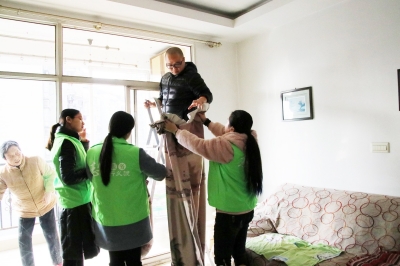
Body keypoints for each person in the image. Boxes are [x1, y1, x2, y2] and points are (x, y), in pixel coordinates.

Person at [163, 110, 264, 266]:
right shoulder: (251, 140)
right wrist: (205, 121)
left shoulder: (225, 146)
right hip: (247, 209)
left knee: (222, 259)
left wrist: (176, 131)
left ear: (231, 128)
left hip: (230, 213)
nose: (226, 126)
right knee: (239, 252)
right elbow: (226, 133)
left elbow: (198, 145)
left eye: (227, 122)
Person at [144, 46, 213, 265]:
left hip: (186, 129)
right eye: (170, 65)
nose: (174, 69)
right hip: (169, 129)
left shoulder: (191, 75)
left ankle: (195, 251)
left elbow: (207, 94)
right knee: (173, 176)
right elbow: (165, 99)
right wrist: (154, 105)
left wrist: (199, 100)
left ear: (184, 60)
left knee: (191, 181)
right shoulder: (165, 78)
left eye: (177, 64)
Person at [86, 111, 167, 266]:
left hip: (106, 217)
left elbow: (92, 178)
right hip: (133, 219)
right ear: (129, 131)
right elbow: (160, 173)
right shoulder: (135, 153)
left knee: (114, 261)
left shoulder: (92, 152)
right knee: (133, 261)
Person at [46, 108, 99, 266]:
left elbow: (77, 162)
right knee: (73, 254)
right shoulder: (66, 142)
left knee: (76, 251)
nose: (83, 122)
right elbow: (68, 177)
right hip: (74, 204)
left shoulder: (67, 139)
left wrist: (84, 142)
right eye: (80, 118)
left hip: (76, 200)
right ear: (68, 119)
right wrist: (91, 171)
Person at [0, 141, 62, 266]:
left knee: (51, 235)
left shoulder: (35, 161)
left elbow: (50, 174)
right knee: (24, 239)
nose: (16, 157)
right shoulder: (3, 173)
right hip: (25, 209)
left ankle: (58, 263)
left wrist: (49, 191)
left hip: (45, 204)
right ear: (5, 158)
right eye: (11, 156)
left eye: (17, 153)